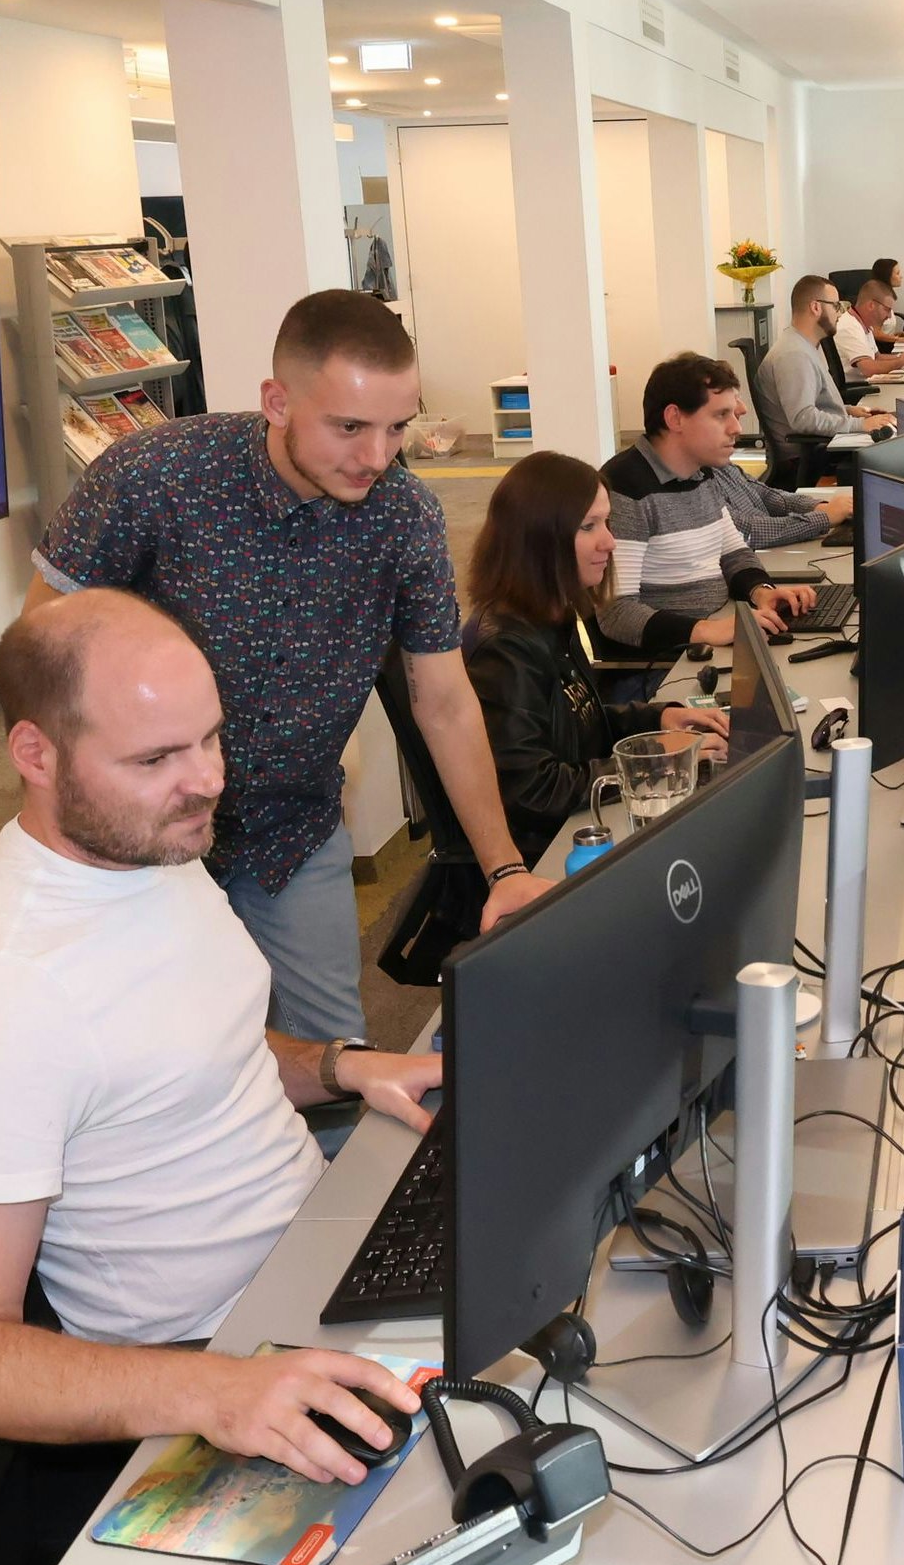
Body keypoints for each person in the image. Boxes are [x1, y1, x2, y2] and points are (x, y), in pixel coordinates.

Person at [0, 589, 450, 1507]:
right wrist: (216, 1390)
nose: (208, 780)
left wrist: (343, 1065)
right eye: (156, 757)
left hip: (321, 1257)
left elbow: (188, 1051)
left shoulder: (147, 846)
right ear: (35, 754)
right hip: (219, 1355)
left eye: (211, 738)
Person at [30, 290, 543, 1049]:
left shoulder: (405, 518)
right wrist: (58, 844)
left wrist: (505, 870)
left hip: (291, 833)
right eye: (349, 427)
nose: (377, 457)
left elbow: (444, 701)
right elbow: (41, 654)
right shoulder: (155, 476)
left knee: (334, 1058)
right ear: (277, 402)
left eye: (397, 427)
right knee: (154, 1053)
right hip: (139, 836)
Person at [390, 454, 735, 965]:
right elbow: (535, 790)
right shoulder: (505, 649)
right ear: (541, 539)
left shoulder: (548, 615)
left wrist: (656, 719)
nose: (610, 541)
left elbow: (577, 722)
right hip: (547, 852)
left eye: (607, 523)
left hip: (573, 824)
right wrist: (650, 765)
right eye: (589, 527)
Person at [600, 353, 838, 655]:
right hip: (670, 662)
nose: (736, 428)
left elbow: (733, 552)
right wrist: (707, 630)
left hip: (716, 634)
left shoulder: (701, 473)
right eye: (721, 415)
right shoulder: (625, 488)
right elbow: (617, 614)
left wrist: (762, 592)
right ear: (675, 418)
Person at [758, 275, 898, 465]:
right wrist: (859, 424)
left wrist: (850, 411)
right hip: (811, 460)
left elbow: (812, 405)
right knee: (892, 458)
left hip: (822, 447)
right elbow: (803, 418)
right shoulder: (794, 354)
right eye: (836, 306)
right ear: (816, 307)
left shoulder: (803, 346)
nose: (840, 314)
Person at [831, 277, 904, 383]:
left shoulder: (864, 324)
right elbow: (868, 369)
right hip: (859, 390)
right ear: (871, 305)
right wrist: (902, 360)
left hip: (868, 384)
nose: (889, 316)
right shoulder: (850, 327)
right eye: (887, 310)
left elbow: (877, 357)